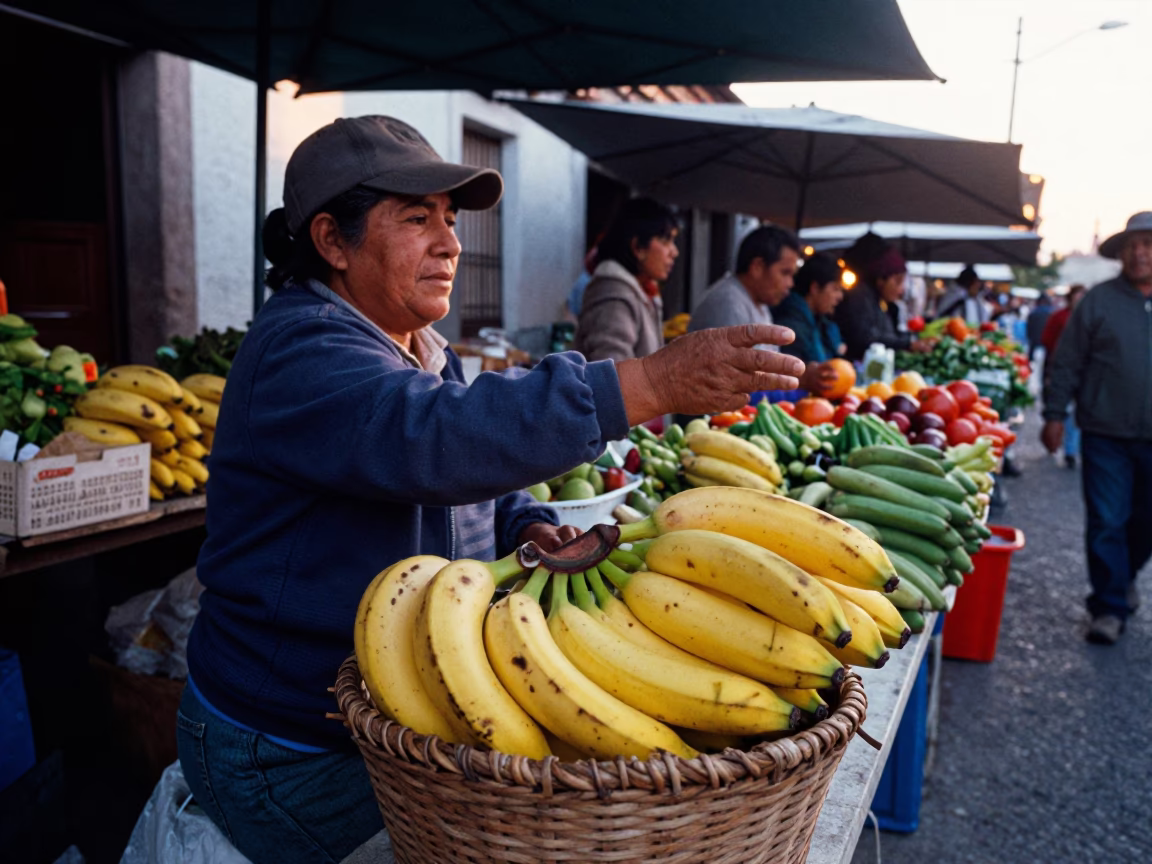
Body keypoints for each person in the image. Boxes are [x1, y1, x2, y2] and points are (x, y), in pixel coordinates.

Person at [176, 115, 805, 864]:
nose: (450, 243)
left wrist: (524, 527)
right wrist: (650, 380)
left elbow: (470, 479)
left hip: (381, 725)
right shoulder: (299, 349)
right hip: (285, 748)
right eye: (417, 219)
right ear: (332, 241)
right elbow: (427, 439)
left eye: (449, 219)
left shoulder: (417, 346)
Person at [1041, 211, 1152, 645]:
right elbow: (1067, 361)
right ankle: (1108, 606)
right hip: (1105, 433)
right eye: (1133, 246)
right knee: (1107, 519)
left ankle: (1122, 577)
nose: (1140, 252)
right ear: (1121, 253)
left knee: (1145, 520)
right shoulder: (1098, 302)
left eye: (1148, 244)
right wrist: (1053, 414)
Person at [687, 224, 834, 393]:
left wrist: (802, 376)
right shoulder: (729, 304)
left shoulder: (760, 304)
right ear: (757, 267)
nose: (790, 284)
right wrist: (803, 378)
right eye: (785, 273)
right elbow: (730, 382)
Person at [572, 198, 679, 361]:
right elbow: (614, 375)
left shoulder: (643, 293)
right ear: (638, 248)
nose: (674, 252)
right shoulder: (614, 298)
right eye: (666, 242)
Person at [834, 245, 925, 361]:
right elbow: (866, 338)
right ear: (881, 280)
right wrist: (908, 344)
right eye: (897, 281)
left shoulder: (883, 303)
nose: (901, 290)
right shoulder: (860, 297)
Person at [1041, 284, 1086, 468]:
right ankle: (1064, 445)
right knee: (1064, 409)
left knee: (1077, 413)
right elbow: (1047, 340)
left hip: (1085, 374)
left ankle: (1071, 450)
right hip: (1061, 369)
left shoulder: (1090, 318)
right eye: (1077, 297)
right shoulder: (1059, 317)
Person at [772, 252, 845, 363]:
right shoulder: (792, 326)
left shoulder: (818, 322)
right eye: (835, 289)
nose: (840, 296)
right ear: (815, 288)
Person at [1025, 290, 1054, 361]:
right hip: (1045, 343)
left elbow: (1028, 328)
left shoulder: (1034, 312)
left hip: (1034, 341)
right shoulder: (1052, 312)